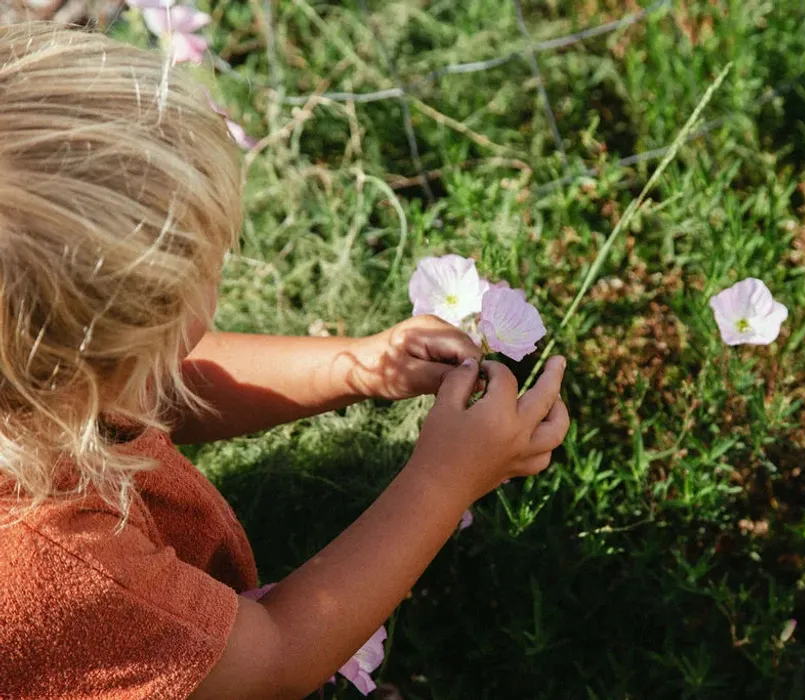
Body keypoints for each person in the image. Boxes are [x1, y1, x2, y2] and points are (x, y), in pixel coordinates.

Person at [0, 22, 570, 698]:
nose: (222, 277)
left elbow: (159, 385)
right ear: (81, 356)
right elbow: (272, 659)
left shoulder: (35, 385)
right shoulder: (61, 565)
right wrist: (444, 481)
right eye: (207, 272)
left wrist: (355, 367)